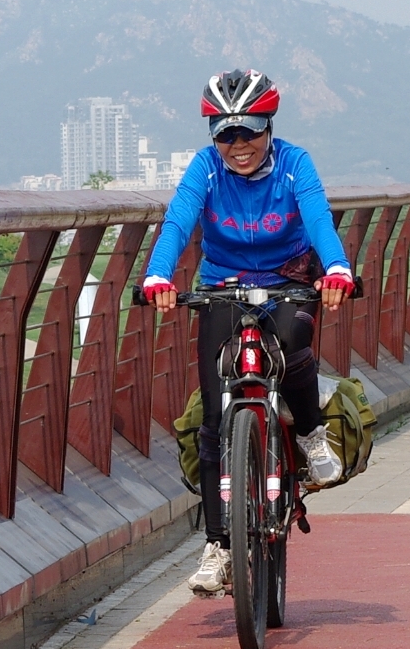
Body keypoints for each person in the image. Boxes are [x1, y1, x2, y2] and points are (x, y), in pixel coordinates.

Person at [140, 69, 355, 597]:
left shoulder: (294, 163)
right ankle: (218, 544)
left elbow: (320, 218)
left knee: (294, 346)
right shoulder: (206, 170)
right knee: (215, 417)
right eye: (225, 133)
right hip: (222, 287)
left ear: (269, 126)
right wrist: (158, 274)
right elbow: (177, 221)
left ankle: (308, 434)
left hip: (288, 280)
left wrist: (337, 268)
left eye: (250, 131)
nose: (238, 145)